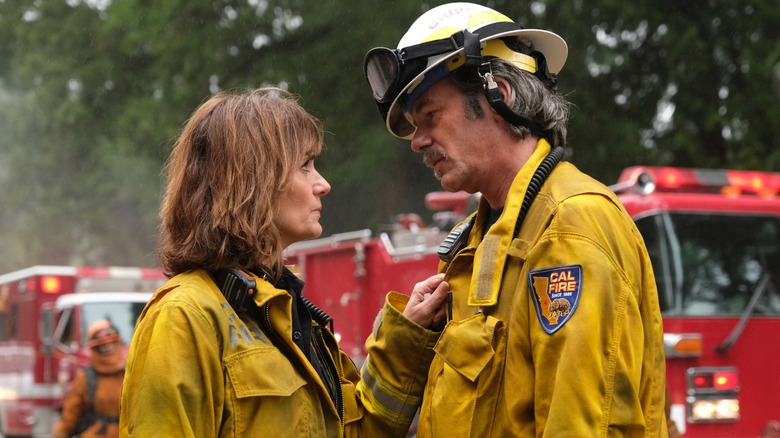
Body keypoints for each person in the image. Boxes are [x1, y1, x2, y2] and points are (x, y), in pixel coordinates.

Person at [363, 3, 667, 437]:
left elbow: (580, 426)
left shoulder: (569, 226)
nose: (419, 141)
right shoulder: (477, 241)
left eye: (430, 115)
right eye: (414, 125)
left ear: (498, 95)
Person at [119, 87, 449, 437]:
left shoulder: (288, 313)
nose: (323, 184)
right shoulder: (182, 316)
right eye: (304, 166)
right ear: (251, 180)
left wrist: (407, 335)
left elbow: (357, 430)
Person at [53, 320, 124, 438]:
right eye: (101, 345)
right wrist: (59, 434)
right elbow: (70, 414)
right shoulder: (86, 377)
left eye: (110, 343)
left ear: (117, 343)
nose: (107, 348)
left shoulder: (129, 373)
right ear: (95, 349)